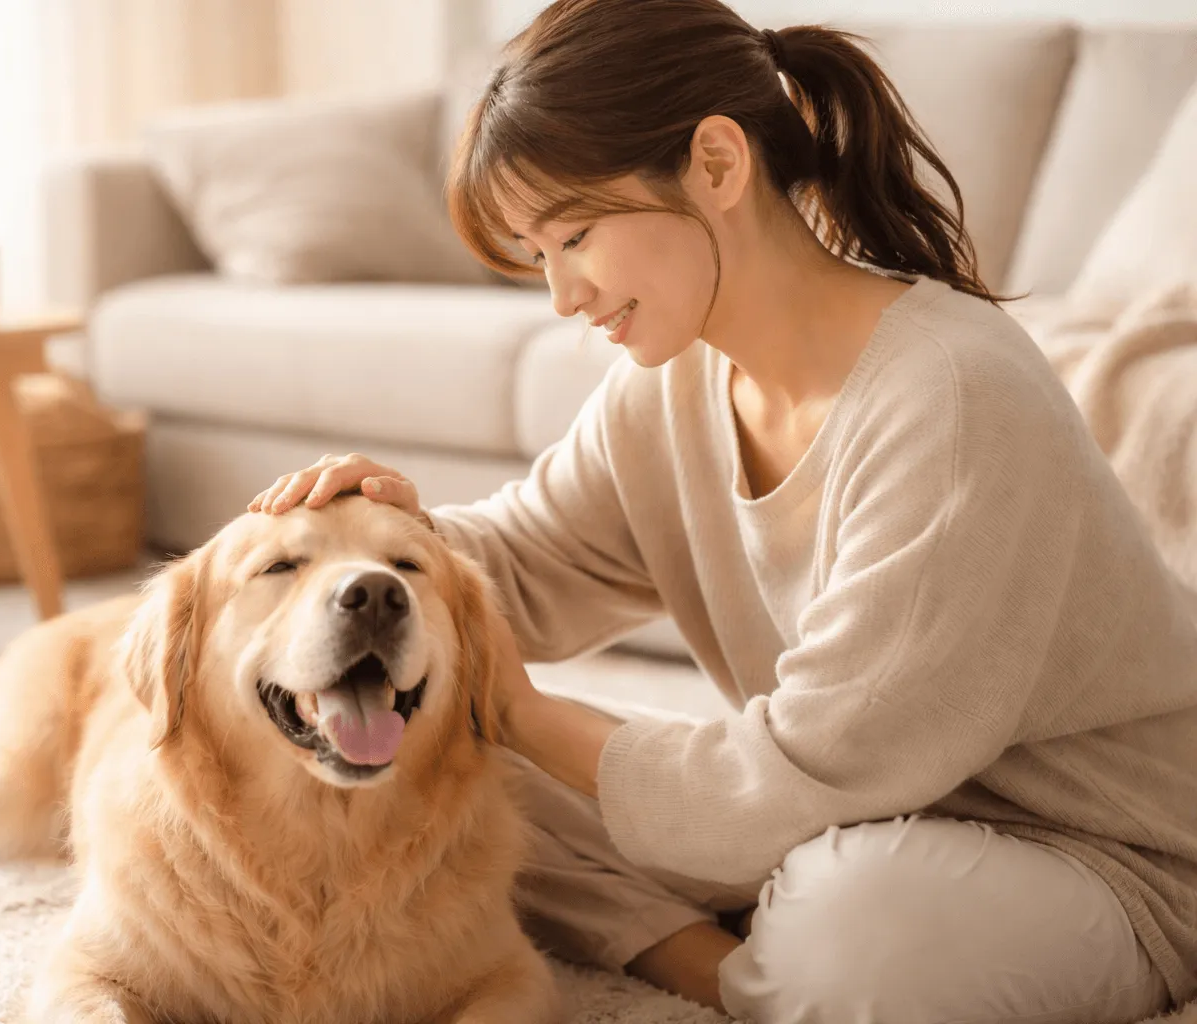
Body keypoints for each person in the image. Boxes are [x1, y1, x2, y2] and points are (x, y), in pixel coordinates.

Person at [248, 1, 1197, 1020]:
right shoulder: (671, 384)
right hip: (855, 808)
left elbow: (800, 773)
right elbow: (526, 563)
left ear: (715, 163)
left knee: (850, 928)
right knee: (430, 776)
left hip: (1110, 853)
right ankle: (719, 943)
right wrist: (391, 552)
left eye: (574, 234)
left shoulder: (952, 399)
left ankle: (734, 966)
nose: (564, 295)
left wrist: (525, 711)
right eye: (537, 257)